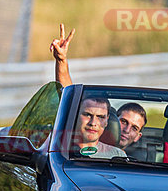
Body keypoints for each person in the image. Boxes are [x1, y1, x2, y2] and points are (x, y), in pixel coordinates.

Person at [50, 24, 146, 154]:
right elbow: (68, 96)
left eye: (100, 117)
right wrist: (61, 60)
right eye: (87, 114)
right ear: (75, 115)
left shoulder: (117, 155)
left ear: (107, 121)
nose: (93, 123)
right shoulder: (58, 149)